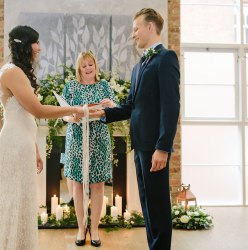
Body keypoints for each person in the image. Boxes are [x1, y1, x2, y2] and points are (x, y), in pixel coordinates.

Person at [0, 25, 85, 250]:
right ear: (25, 45)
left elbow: (27, 116)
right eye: (36, 42)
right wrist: (74, 110)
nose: (39, 48)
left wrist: (36, 150)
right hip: (14, 143)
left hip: (23, 142)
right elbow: (37, 110)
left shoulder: (17, 72)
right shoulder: (11, 72)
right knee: (11, 198)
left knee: (22, 199)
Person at [91, 8, 180, 250]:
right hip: (139, 145)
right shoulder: (139, 66)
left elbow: (171, 107)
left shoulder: (166, 58)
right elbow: (131, 106)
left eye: (136, 28)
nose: (133, 34)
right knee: (148, 204)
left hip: (155, 147)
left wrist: (163, 147)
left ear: (150, 27)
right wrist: (103, 113)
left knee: (159, 206)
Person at [62, 51, 117, 247]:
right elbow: (63, 114)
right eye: (83, 65)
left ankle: (94, 229)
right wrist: (71, 117)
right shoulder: (71, 87)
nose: (87, 68)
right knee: (77, 185)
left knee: (97, 185)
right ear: (79, 69)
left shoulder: (104, 86)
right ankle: (81, 227)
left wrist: (110, 105)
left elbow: (114, 108)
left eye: (90, 64)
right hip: (77, 138)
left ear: (95, 65)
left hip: (99, 138)